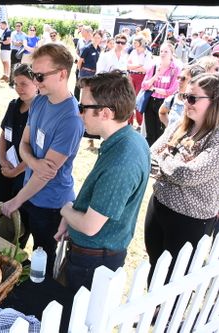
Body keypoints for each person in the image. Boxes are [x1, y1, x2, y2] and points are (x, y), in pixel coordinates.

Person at [54, 71, 150, 293]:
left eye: (83, 107)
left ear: (105, 113)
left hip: (93, 263)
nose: (79, 114)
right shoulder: (129, 138)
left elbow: (90, 226)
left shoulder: (122, 161)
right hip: (96, 255)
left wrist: (66, 210)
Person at [1, 44, 84, 275]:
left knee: (42, 266)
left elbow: (47, 175)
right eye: (33, 74)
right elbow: (23, 144)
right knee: (15, 254)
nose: (35, 81)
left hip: (50, 205)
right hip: (29, 192)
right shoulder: (38, 101)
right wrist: (35, 162)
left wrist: (16, 200)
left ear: (62, 74)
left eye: (40, 76)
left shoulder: (71, 119)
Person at [145, 73, 219, 284]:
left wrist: (167, 159)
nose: (186, 102)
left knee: (175, 278)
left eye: (193, 98)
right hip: (159, 205)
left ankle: (165, 316)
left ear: (213, 101)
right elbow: (150, 156)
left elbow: (188, 174)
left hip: (190, 220)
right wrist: (177, 162)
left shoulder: (217, 137)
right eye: (185, 96)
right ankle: (151, 314)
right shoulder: (181, 126)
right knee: (154, 266)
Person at [0, 64, 37, 247]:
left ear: (36, 83)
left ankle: (14, 255)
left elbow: (38, 151)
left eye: (24, 84)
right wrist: (3, 161)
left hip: (25, 177)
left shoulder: (40, 111)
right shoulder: (13, 106)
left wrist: (18, 170)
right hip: (6, 170)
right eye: (16, 84)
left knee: (19, 224)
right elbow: (4, 135)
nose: (19, 89)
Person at [141, 42, 180, 146]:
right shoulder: (154, 67)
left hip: (164, 104)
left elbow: (170, 91)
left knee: (161, 132)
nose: (163, 53)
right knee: (150, 132)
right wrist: (156, 75)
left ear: (172, 54)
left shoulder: (175, 69)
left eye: (166, 51)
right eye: (161, 51)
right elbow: (144, 85)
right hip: (150, 102)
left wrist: (153, 89)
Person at [127, 35, 154, 129]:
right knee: (129, 98)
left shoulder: (147, 54)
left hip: (142, 77)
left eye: (135, 42)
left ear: (140, 43)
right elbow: (127, 65)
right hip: (131, 76)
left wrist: (134, 66)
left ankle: (140, 122)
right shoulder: (133, 52)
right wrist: (137, 65)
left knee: (138, 100)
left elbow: (146, 68)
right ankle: (129, 121)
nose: (133, 44)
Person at [9, 22, 26, 88]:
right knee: (13, 67)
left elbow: (24, 43)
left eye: (19, 26)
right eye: (16, 26)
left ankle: (18, 83)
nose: (17, 27)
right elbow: (15, 43)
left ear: (21, 26)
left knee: (20, 68)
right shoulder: (13, 33)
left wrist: (20, 42)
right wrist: (20, 42)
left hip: (21, 52)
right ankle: (11, 83)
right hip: (14, 51)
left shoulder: (24, 34)